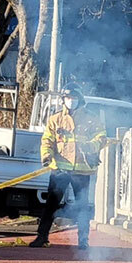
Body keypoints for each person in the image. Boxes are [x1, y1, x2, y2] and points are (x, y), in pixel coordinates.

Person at [31, 87, 106, 250]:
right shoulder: (55, 119)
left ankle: (83, 240)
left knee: (82, 206)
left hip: (82, 171)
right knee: (51, 205)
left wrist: (91, 146)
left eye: (73, 97)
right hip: (60, 170)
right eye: (67, 97)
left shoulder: (91, 119)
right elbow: (47, 141)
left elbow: (102, 138)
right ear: (63, 100)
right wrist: (46, 156)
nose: (70, 101)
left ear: (80, 99)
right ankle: (42, 237)